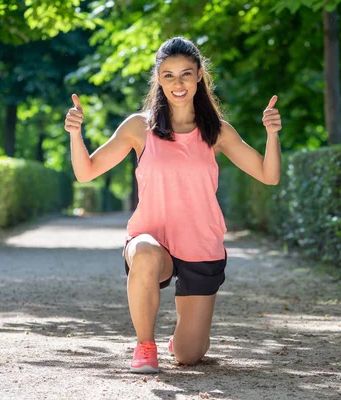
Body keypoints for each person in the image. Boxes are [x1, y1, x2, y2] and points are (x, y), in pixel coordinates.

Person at [64, 36, 281, 373]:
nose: (177, 83)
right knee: (146, 252)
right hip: (152, 238)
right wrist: (76, 134)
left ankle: (179, 341)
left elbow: (268, 175)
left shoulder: (218, 132)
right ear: (158, 79)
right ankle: (145, 345)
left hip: (201, 245)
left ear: (199, 77)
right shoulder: (140, 127)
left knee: (189, 355)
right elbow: (86, 171)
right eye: (168, 75)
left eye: (185, 74)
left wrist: (271, 133)